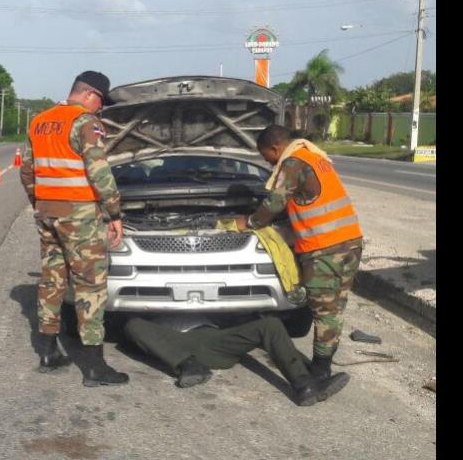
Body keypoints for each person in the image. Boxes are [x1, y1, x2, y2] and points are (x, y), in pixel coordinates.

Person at [20, 71, 128, 387]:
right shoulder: (85, 123)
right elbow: (99, 172)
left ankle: (48, 353)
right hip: (80, 214)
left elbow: (27, 170)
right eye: (101, 103)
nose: (100, 109)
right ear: (91, 95)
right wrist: (114, 213)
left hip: (48, 212)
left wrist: (39, 202)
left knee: (52, 278)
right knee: (90, 285)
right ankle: (94, 368)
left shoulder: (40, 121)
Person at [234, 124, 364, 383]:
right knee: (335, 307)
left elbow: (275, 202)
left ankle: (320, 371)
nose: (268, 163)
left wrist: (248, 222)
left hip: (326, 249)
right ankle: (323, 364)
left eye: (266, 157)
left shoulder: (293, 163)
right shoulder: (314, 156)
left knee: (325, 312)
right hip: (349, 242)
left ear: (275, 148)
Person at [123, 316, 351, 406]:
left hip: (217, 338)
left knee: (270, 324)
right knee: (132, 325)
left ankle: (305, 383)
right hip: (176, 341)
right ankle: (187, 365)